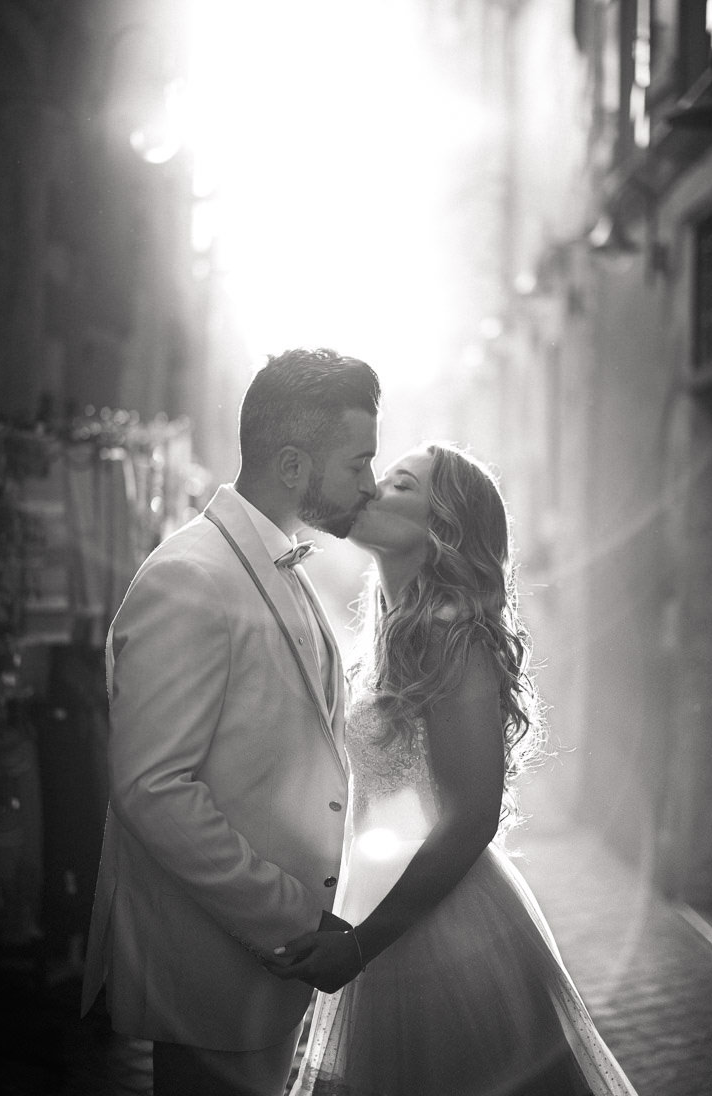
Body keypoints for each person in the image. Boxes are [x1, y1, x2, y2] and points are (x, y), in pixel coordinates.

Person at [268, 442, 640, 1096]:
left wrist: (359, 945)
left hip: (441, 930)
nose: (374, 490)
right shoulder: (387, 634)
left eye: (401, 486)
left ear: (441, 528)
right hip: (376, 904)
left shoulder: (454, 637)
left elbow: (471, 817)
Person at [80, 348, 381, 1096]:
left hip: (269, 979)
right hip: (219, 971)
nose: (370, 484)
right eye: (357, 463)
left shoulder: (276, 563)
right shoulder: (190, 578)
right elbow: (151, 787)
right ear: (290, 466)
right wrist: (294, 918)